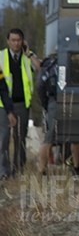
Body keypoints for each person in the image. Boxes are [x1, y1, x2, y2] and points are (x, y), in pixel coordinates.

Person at [0, 28, 40, 177]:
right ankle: (3, 171)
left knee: (20, 138)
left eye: (19, 40)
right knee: (3, 138)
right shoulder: (1, 57)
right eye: (13, 40)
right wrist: (8, 110)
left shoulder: (26, 57)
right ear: (8, 41)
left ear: (22, 41)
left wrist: (29, 53)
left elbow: (39, 67)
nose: (16, 43)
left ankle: (18, 170)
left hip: (22, 103)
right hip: (2, 105)